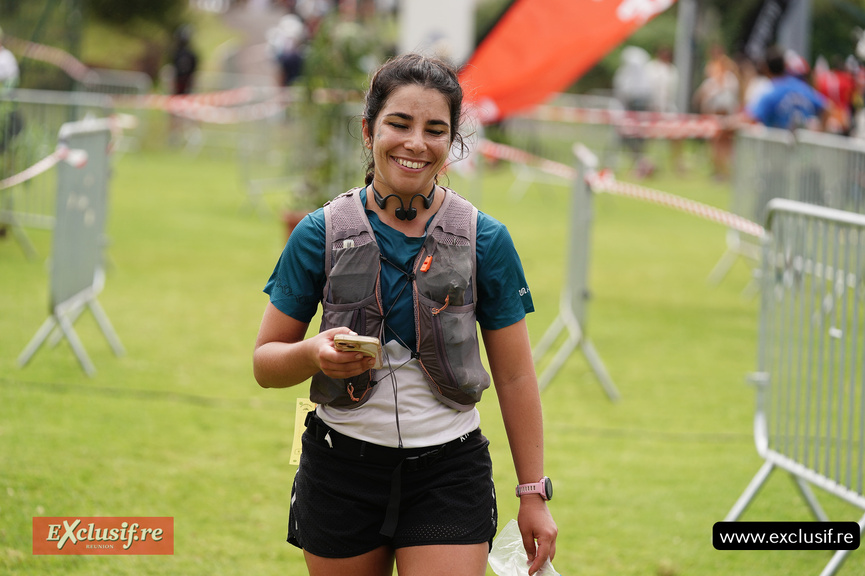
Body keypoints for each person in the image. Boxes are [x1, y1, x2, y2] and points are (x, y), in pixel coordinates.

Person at [253, 53, 557, 576]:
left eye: (435, 130)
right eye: (400, 123)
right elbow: (265, 362)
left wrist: (534, 494)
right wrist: (313, 354)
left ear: (452, 145)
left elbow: (514, 374)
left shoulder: (487, 239)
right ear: (369, 131)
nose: (416, 142)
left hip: (450, 471)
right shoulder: (319, 233)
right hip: (339, 466)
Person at [746, 45, 828, 131]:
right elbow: (827, 108)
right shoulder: (801, 88)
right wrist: (820, 134)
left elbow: (751, 117)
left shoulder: (769, 90)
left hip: (777, 141)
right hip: (801, 141)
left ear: (765, 68)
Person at [613, 46, 654, 177]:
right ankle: (635, 165)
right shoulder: (626, 74)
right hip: (628, 117)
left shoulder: (644, 79)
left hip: (636, 119)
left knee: (638, 142)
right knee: (628, 140)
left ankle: (640, 167)